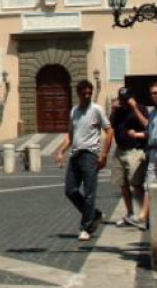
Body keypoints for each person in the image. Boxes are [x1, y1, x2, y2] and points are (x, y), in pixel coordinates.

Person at [55, 80, 114, 242]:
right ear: (78, 93)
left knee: (89, 193)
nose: (87, 96)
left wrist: (104, 154)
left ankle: (86, 227)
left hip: (90, 155)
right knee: (70, 190)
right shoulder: (74, 111)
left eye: (89, 93)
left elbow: (109, 132)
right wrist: (61, 151)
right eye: (84, 93)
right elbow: (70, 135)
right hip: (75, 155)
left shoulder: (96, 110)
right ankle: (94, 214)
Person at [109, 87, 148, 228]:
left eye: (126, 99)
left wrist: (135, 108)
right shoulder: (119, 110)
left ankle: (143, 216)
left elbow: (146, 124)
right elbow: (109, 125)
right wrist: (113, 110)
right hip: (120, 150)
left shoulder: (140, 108)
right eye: (122, 99)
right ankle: (130, 213)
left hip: (134, 150)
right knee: (123, 185)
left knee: (137, 184)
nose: (124, 102)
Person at [131, 81, 157, 228]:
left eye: (155, 93)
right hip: (153, 150)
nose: (153, 96)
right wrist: (137, 134)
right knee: (149, 184)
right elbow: (149, 130)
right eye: (151, 93)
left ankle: (149, 215)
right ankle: (144, 215)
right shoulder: (153, 112)